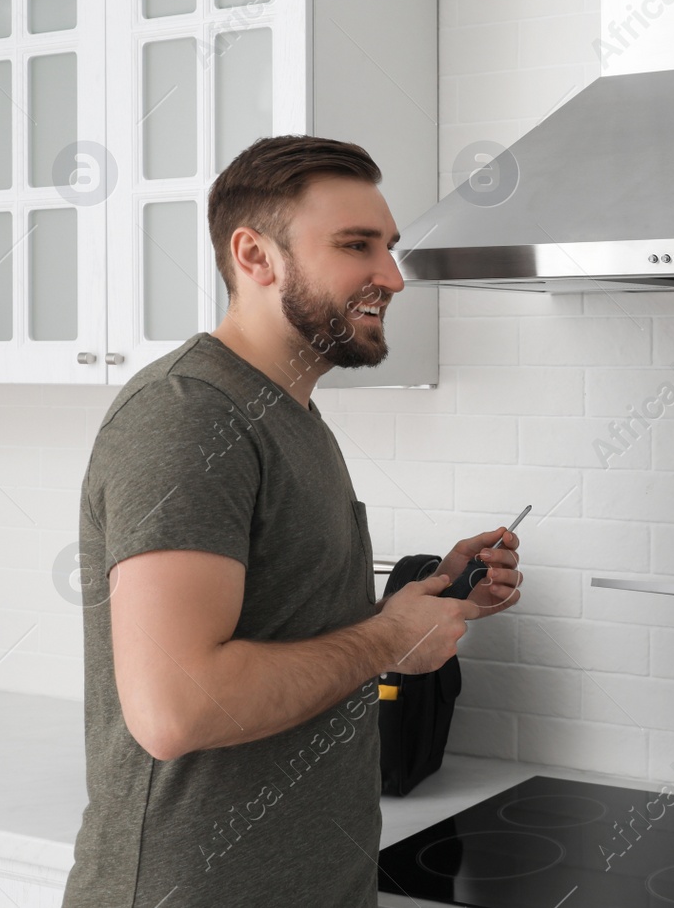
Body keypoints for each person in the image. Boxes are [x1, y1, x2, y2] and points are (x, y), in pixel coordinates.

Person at [61, 135, 524, 907]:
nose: (392, 276)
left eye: (389, 246)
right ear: (256, 255)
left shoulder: (289, 413)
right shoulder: (187, 416)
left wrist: (428, 599)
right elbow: (176, 705)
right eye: (356, 245)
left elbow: (290, 630)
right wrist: (384, 640)